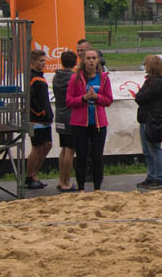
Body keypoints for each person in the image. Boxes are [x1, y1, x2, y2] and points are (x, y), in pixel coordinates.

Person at [66, 48, 112, 192]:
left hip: (99, 123)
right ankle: (80, 187)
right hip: (79, 123)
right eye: (88, 58)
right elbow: (69, 101)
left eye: (93, 58)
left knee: (97, 156)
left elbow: (109, 100)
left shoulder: (104, 78)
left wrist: (97, 97)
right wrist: (84, 98)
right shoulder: (76, 78)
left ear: (97, 60)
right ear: (83, 60)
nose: (91, 61)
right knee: (81, 155)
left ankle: (97, 187)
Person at [135, 54, 162, 189]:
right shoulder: (151, 80)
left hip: (152, 119)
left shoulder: (157, 81)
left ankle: (159, 177)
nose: (145, 66)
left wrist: (140, 96)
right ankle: (151, 175)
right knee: (147, 150)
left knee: (154, 149)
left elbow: (141, 97)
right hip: (146, 117)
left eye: (147, 64)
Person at [51, 50, 79, 192]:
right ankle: (66, 181)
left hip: (60, 114)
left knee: (63, 148)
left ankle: (61, 179)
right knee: (70, 149)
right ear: (75, 62)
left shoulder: (56, 77)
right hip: (71, 115)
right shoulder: (74, 77)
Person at [24, 50, 52, 190]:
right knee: (37, 147)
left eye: (44, 61)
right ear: (33, 62)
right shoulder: (32, 77)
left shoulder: (40, 76)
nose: (43, 63)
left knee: (47, 145)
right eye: (40, 61)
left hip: (45, 118)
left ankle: (35, 173)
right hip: (36, 119)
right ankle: (29, 176)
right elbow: (30, 99)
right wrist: (39, 112)